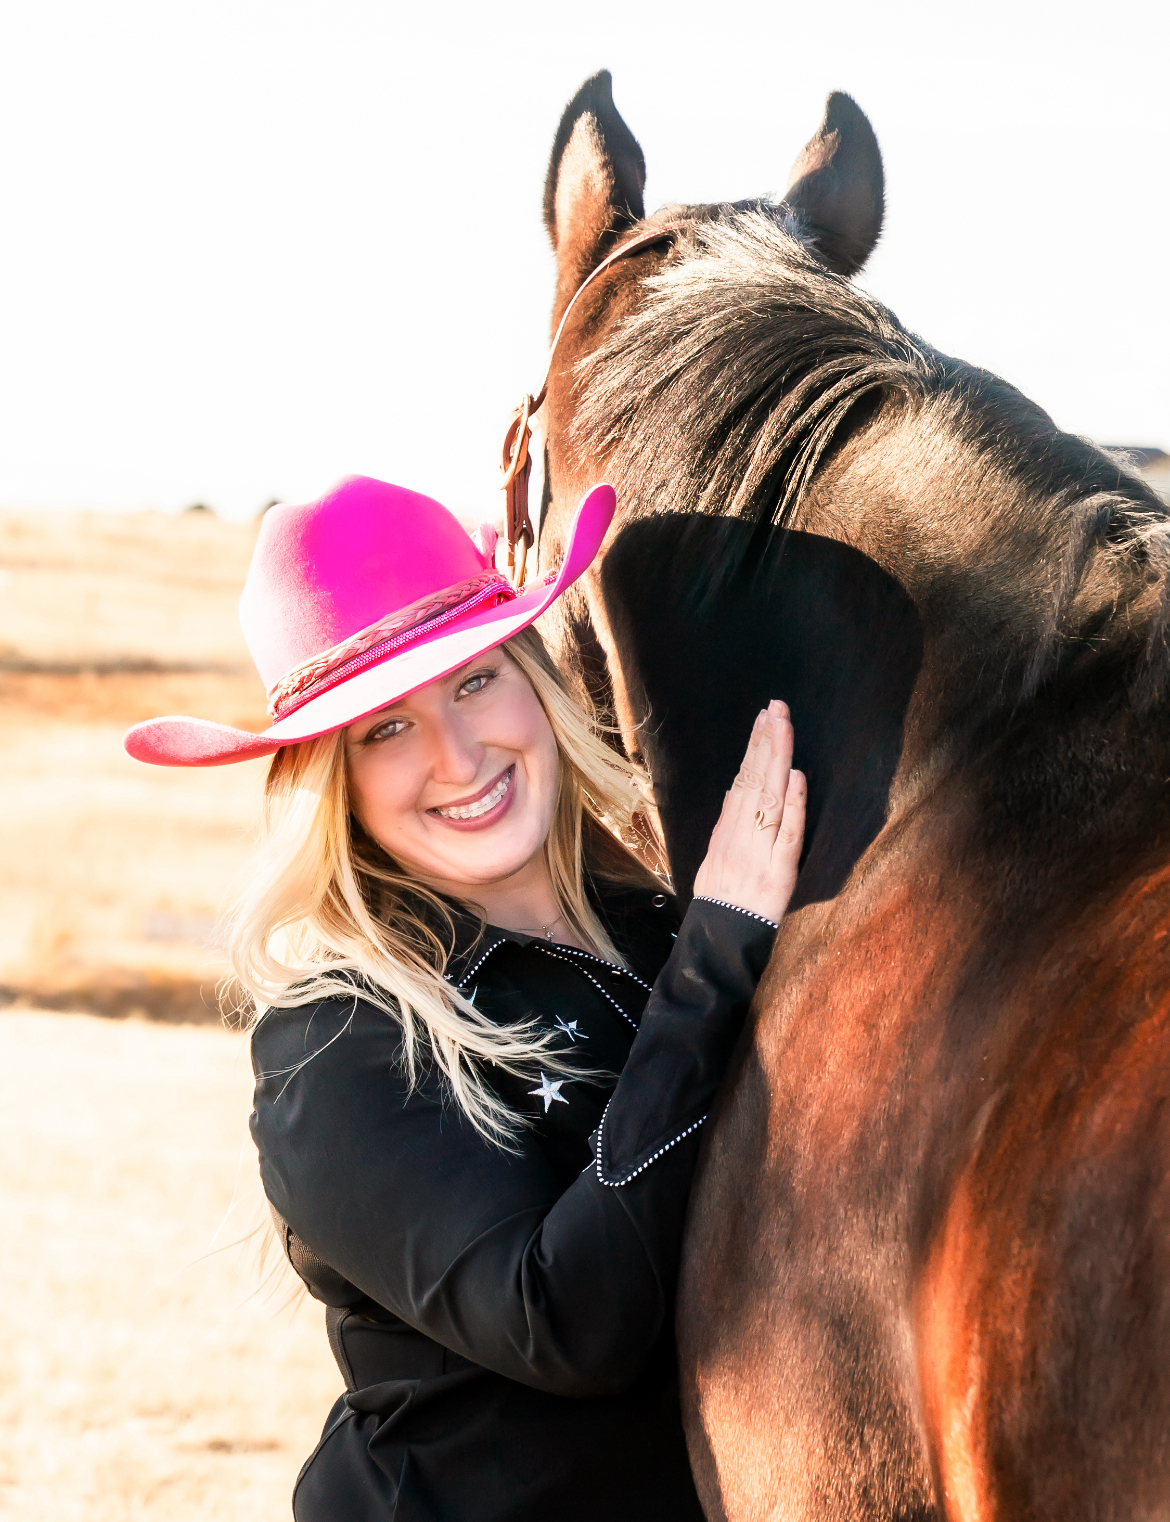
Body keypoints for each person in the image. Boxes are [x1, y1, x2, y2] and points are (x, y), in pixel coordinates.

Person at [124, 474, 807, 1521]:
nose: (455, 754)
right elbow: (566, 1321)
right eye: (382, 731)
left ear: (534, 678)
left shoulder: (660, 927)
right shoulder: (336, 1043)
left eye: (473, 679)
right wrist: (720, 956)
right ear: (331, 783)